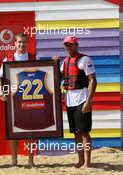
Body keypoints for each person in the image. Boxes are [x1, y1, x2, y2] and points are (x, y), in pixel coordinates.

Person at [52, 35, 97, 168]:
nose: (68, 47)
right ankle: (81, 160)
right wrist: (55, 64)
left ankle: (88, 162)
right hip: (70, 101)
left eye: (71, 44)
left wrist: (89, 100)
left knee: (84, 133)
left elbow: (93, 81)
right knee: (76, 133)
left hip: (82, 100)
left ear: (76, 45)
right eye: (66, 45)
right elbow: (58, 78)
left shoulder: (85, 60)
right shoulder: (64, 62)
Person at [0, 32, 36, 167]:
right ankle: (14, 162)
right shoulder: (7, 59)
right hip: (13, 101)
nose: (21, 44)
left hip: (31, 100)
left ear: (27, 43)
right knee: (14, 132)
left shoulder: (34, 58)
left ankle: (31, 160)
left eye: (24, 42)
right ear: (15, 43)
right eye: (19, 42)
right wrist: (0, 92)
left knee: (31, 132)